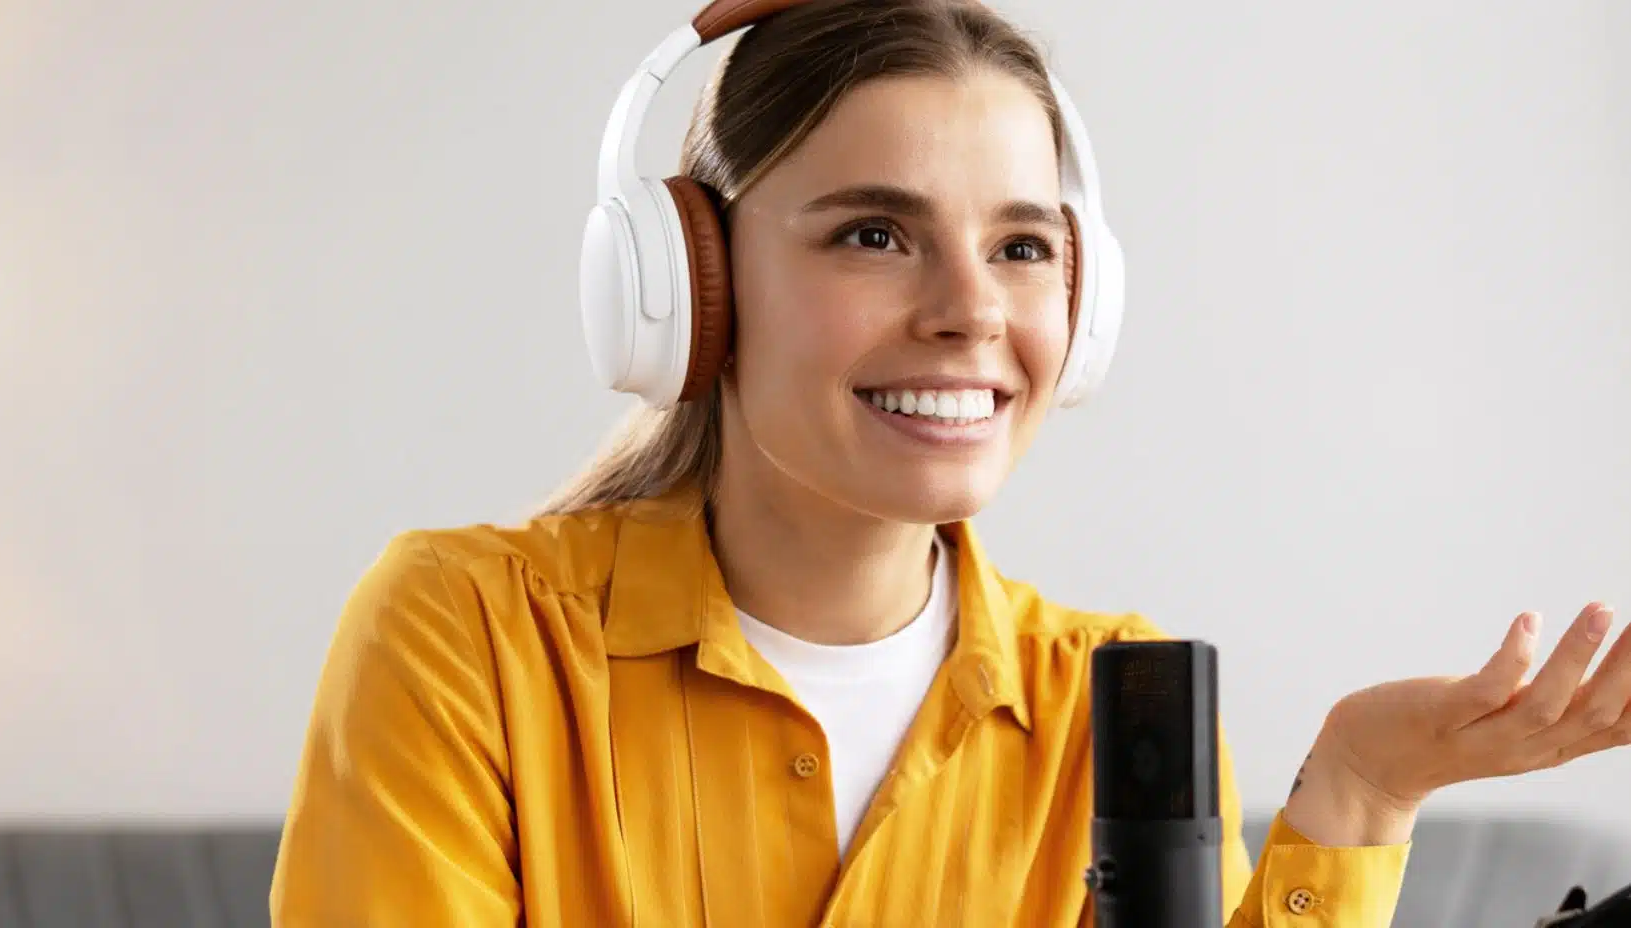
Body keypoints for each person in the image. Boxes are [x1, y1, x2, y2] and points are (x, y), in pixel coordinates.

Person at [269, 0, 1631, 924]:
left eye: (1022, 246)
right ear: (688, 286)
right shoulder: (465, 638)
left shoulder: (1124, 708)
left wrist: (1362, 790)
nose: (971, 311)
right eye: (874, 234)